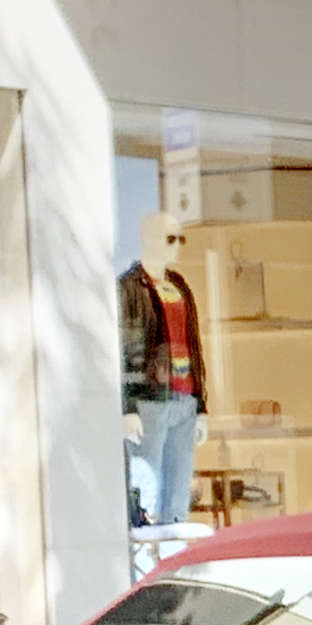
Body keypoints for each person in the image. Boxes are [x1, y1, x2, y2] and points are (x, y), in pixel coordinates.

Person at [119, 212, 210, 527]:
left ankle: (173, 554)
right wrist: (127, 406)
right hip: (150, 401)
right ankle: (145, 556)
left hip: (184, 400)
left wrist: (201, 406)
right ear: (149, 238)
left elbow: (193, 344)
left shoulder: (179, 285)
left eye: (180, 238)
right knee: (147, 488)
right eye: (171, 238)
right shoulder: (130, 287)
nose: (177, 246)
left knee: (177, 494)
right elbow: (126, 348)